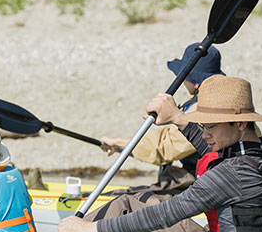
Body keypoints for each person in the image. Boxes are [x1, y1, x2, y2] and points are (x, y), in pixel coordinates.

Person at [57, 76, 262, 232]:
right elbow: (217, 157)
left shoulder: (231, 174)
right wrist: (177, 118)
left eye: (211, 127)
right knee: (139, 199)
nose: (205, 134)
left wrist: (91, 229)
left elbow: (165, 214)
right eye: (202, 126)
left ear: (240, 123)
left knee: (125, 207)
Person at [95, 43, 223, 195]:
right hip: (212, 179)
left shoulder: (204, 108)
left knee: (134, 201)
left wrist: (120, 143)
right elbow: (168, 136)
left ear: (193, 80)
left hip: (210, 187)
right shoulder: (220, 98)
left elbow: (164, 148)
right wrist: (119, 143)